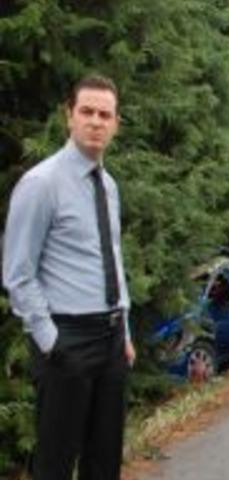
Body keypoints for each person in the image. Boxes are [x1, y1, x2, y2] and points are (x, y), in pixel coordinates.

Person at [3, 74, 135, 479]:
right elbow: (17, 273)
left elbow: (110, 257)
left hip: (111, 341)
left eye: (105, 114)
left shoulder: (108, 186)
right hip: (66, 342)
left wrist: (124, 330)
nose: (96, 122)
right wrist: (51, 342)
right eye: (87, 112)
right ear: (69, 117)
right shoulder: (41, 184)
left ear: (115, 124)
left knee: (104, 461)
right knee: (56, 464)